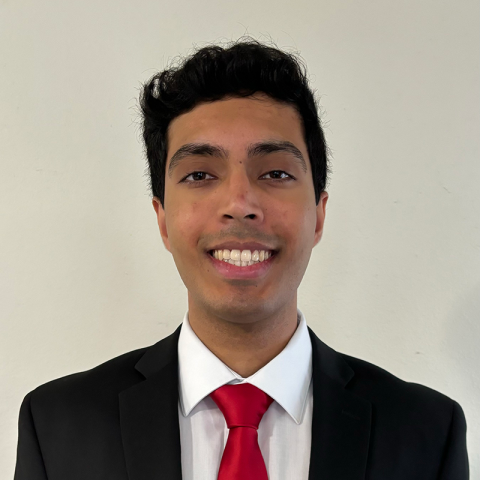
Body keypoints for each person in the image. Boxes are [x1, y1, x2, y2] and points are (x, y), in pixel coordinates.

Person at [14, 38, 469, 480]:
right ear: (164, 221)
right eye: (199, 174)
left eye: (275, 172)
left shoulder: (426, 432)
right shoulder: (58, 424)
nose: (239, 201)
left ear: (318, 217)